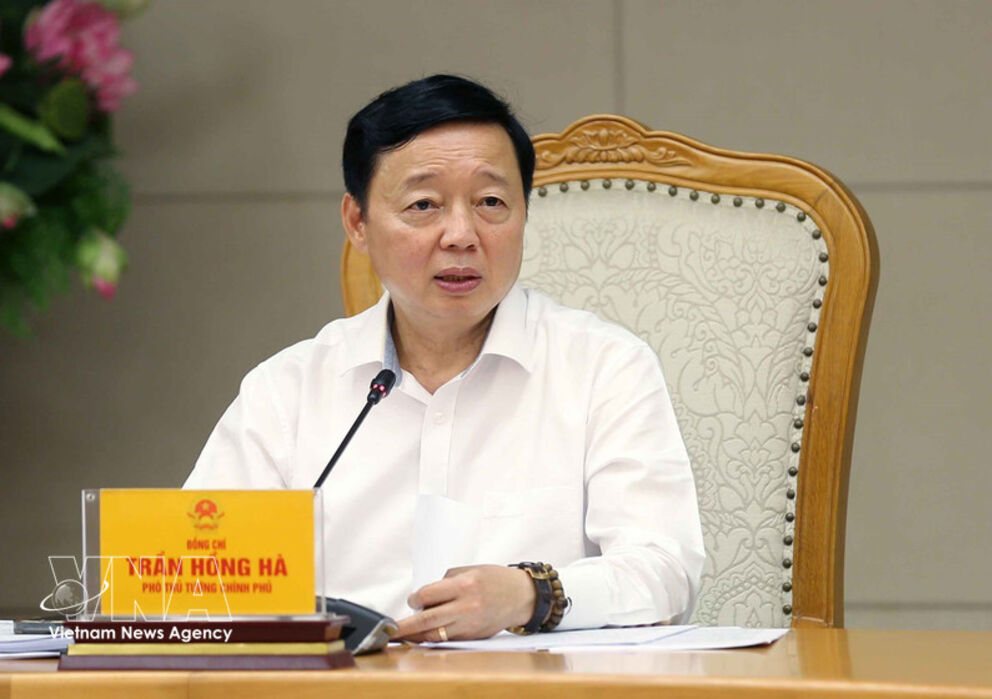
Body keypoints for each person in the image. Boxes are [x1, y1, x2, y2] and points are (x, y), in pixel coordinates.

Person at [184, 74, 704, 641]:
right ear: (358, 223)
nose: (461, 234)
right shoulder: (288, 390)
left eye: (490, 203)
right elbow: (194, 585)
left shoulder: (604, 367)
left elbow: (665, 571)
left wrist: (531, 594)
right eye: (424, 205)